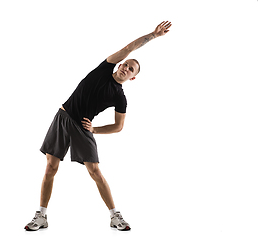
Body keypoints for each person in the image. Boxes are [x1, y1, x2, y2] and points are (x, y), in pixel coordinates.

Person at [24, 21, 172, 231]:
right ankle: (41, 216)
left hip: (83, 128)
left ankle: (115, 216)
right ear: (119, 64)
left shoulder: (120, 97)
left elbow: (118, 126)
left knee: (95, 172)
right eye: (125, 64)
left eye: (131, 69)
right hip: (63, 117)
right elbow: (128, 48)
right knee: (50, 168)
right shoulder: (104, 68)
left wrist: (94, 130)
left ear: (133, 77)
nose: (126, 68)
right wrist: (154, 35)